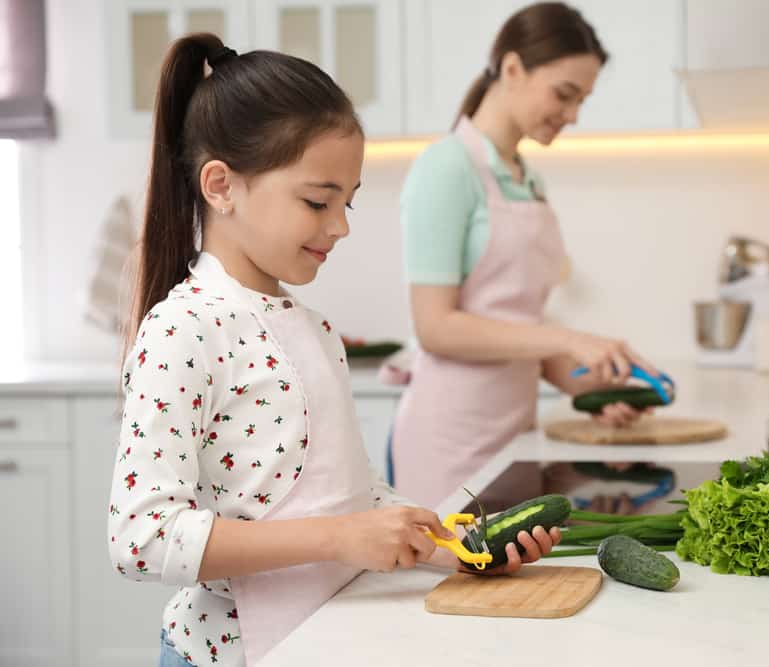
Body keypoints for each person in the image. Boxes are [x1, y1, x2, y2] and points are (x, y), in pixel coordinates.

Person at [107, 33, 559, 667]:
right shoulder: (183, 329)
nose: (341, 225)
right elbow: (142, 538)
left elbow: (357, 499)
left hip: (325, 639)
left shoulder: (314, 331)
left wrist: (461, 547)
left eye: (346, 203)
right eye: (318, 201)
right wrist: (342, 538)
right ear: (221, 185)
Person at [391, 2, 658, 508]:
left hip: (515, 437)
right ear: (512, 69)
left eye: (583, 99)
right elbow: (436, 327)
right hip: (450, 443)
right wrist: (571, 339)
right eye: (565, 94)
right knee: (454, 583)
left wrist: (584, 388)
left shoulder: (524, 177)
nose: (574, 114)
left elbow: (515, 322)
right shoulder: (446, 168)